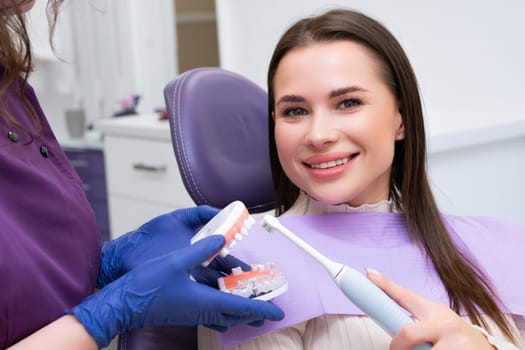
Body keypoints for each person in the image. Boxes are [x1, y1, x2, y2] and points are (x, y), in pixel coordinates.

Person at [198, 8, 525, 350]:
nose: (319, 134)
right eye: (295, 111)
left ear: (401, 118)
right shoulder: (248, 270)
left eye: (348, 103)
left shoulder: (492, 247)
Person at [0, 0, 284, 349]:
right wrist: (111, 311)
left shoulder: (10, 91)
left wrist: (106, 262)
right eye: (295, 110)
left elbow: (23, 267)